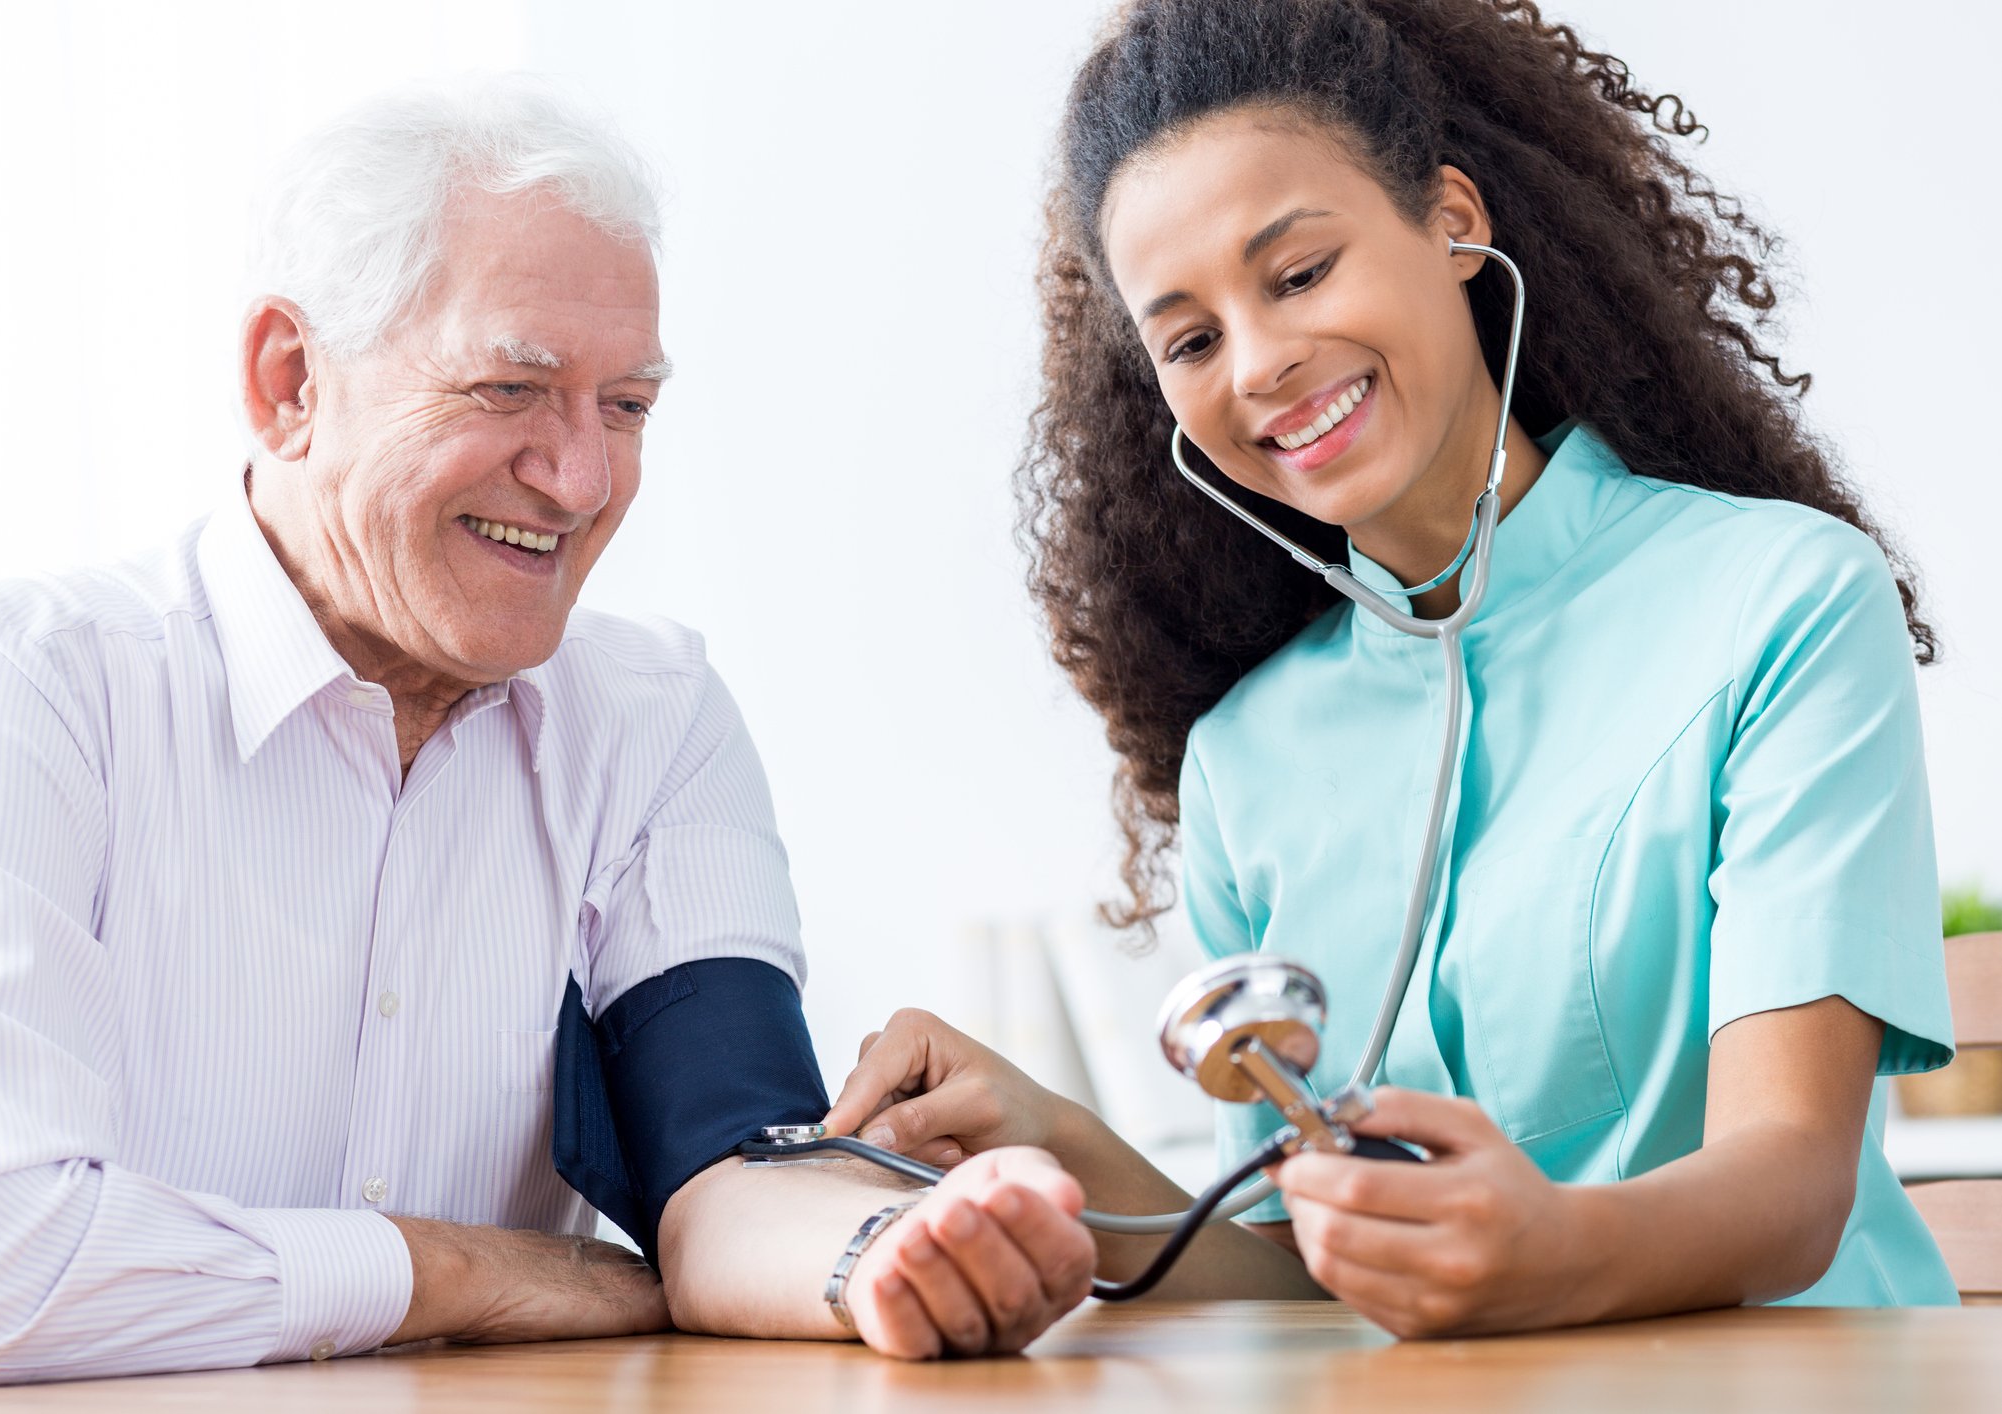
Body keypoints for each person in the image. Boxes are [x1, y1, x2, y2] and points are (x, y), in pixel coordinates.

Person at [0, 77, 1093, 1388]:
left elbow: (730, 1161)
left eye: (625, 407)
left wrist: (887, 1247)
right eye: (512, 389)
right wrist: (449, 1269)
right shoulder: (22, 692)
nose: (580, 481)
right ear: (289, 382)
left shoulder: (652, 717)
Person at [827, 0, 1958, 1335]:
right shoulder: (1244, 756)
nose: (1257, 365)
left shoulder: (1778, 601)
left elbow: (1791, 1184)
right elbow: (1306, 1276)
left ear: (1453, 221)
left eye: (1297, 273)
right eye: (1188, 339)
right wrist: (1050, 1135)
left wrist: (1550, 1248)